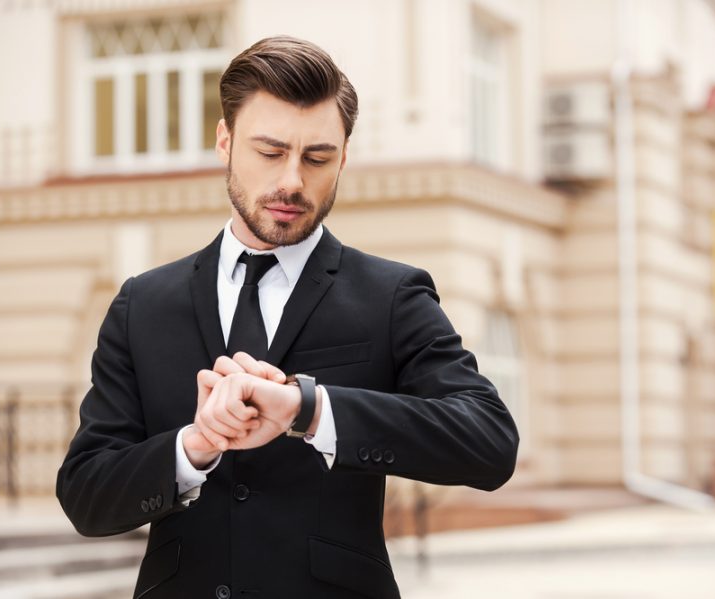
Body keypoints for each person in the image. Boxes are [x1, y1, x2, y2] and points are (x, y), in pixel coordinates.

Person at [57, 35, 518, 599]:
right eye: (270, 152)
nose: (292, 182)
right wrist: (194, 446)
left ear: (344, 156)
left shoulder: (392, 295)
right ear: (224, 142)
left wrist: (310, 409)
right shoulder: (142, 304)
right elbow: (85, 495)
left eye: (317, 157)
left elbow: (490, 442)